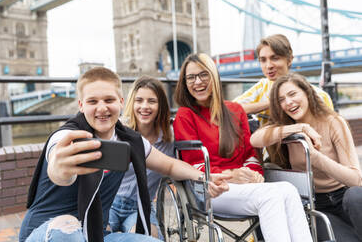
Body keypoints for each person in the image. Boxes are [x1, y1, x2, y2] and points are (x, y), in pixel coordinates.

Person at [19, 67, 230, 242]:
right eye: (93, 102)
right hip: (47, 232)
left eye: (109, 100)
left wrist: (204, 177)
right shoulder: (68, 135)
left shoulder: (131, 141)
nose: (102, 108)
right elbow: (56, 161)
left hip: (95, 235)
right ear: (81, 105)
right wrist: (59, 169)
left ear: (121, 101)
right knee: (68, 227)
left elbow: (171, 166)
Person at [173, 53, 313, 242]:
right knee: (271, 196)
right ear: (184, 83)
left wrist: (252, 173)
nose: (197, 82)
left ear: (214, 76)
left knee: (288, 189)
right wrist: (233, 175)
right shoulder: (185, 115)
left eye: (203, 74)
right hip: (209, 188)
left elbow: (251, 154)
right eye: (191, 77)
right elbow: (194, 164)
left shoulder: (235, 110)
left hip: (243, 186)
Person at [251, 72, 362, 241]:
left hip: (345, 196)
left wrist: (316, 157)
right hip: (317, 203)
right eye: (281, 100)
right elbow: (255, 139)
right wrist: (300, 128)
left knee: (355, 195)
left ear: (307, 93)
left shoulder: (333, 122)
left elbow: (356, 180)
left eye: (292, 94)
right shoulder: (287, 129)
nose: (288, 102)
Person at [109, 76, 173, 239]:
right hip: (109, 202)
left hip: (141, 206)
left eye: (151, 101)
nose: (144, 106)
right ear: (132, 103)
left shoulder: (169, 137)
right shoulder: (118, 131)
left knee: (147, 237)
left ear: (161, 106)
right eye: (139, 100)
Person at [233, 34, 333, 123]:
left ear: (289, 60)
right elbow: (229, 110)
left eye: (275, 58)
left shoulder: (320, 96)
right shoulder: (262, 87)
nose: (268, 66)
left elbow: (331, 130)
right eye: (263, 60)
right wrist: (271, 103)